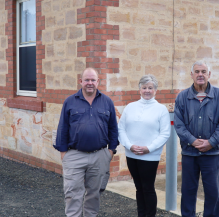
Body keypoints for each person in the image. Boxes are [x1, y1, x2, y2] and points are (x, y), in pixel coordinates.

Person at [54, 68, 119, 217]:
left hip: (99, 155)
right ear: (81, 81)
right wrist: (64, 153)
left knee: (94, 194)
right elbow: (62, 128)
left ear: (98, 82)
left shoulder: (107, 102)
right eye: (87, 80)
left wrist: (110, 151)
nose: (90, 83)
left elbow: (113, 128)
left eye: (93, 80)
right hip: (74, 155)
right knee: (72, 193)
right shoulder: (70, 101)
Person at [174, 61, 219, 217]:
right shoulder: (182, 97)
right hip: (189, 154)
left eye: (203, 71)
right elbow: (179, 125)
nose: (200, 74)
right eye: (197, 71)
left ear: (209, 74)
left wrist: (211, 143)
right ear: (191, 74)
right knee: (188, 192)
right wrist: (192, 141)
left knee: (212, 193)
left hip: (211, 155)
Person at [118, 74, 171, 217]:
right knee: (138, 187)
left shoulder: (161, 109)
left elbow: (165, 133)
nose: (147, 90)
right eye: (144, 87)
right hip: (131, 154)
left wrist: (149, 148)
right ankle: (141, 214)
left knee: (147, 188)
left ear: (155, 90)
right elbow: (121, 129)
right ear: (139, 89)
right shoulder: (130, 107)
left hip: (150, 156)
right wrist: (129, 146)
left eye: (150, 88)